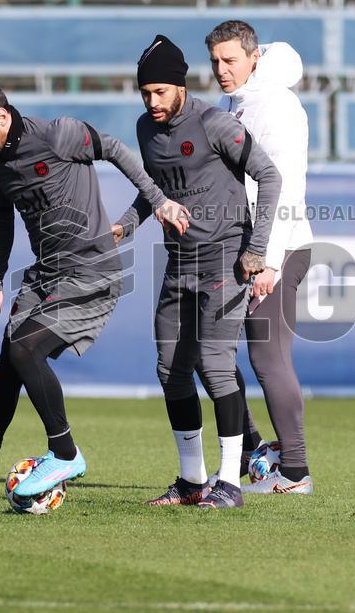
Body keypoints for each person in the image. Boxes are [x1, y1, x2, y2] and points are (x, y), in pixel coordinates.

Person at [0, 80, 186, 499]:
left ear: (2, 116)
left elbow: (115, 149)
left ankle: (66, 453)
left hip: (91, 271)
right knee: (8, 361)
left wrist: (158, 201)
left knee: (24, 350)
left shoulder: (58, 135)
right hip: (45, 274)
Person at [113, 35, 281, 509]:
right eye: (145, 93)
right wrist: (126, 225)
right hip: (179, 263)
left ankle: (230, 483)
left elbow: (269, 175)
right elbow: (155, 188)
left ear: (181, 87)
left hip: (225, 261)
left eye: (160, 92)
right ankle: (192, 481)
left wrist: (257, 250)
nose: (152, 102)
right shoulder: (146, 129)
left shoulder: (215, 124)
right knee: (170, 369)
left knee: (216, 364)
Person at [205, 20, 315, 494]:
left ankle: (295, 472)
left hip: (279, 249)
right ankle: (254, 450)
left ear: (254, 58)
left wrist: (268, 260)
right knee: (206, 349)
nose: (221, 69)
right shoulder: (237, 102)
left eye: (230, 60)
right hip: (243, 248)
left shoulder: (277, 105)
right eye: (215, 61)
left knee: (268, 359)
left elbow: (284, 184)